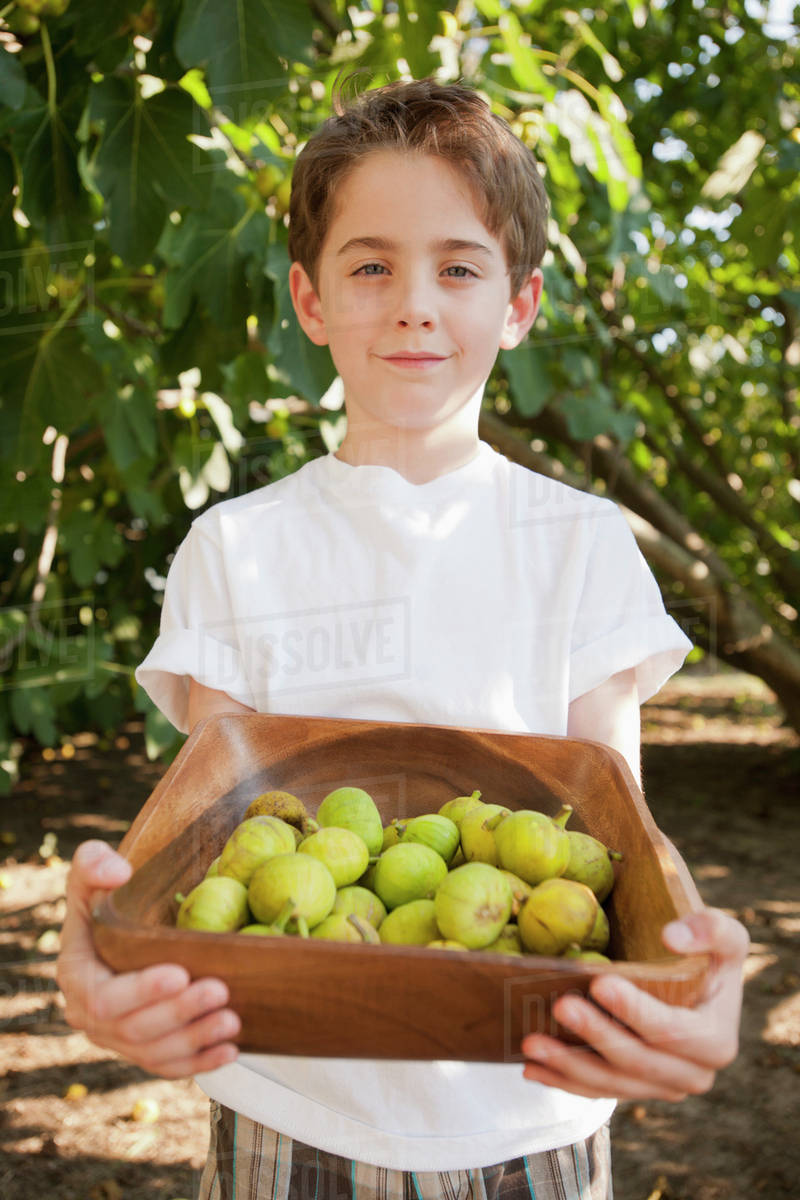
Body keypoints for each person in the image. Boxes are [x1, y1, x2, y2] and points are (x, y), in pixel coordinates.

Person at [57, 78, 749, 1199]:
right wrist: (112, 946)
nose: (414, 304)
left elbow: (616, 818)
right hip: (289, 1098)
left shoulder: (579, 546)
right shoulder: (237, 550)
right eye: (369, 265)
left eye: (459, 267)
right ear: (309, 298)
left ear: (518, 305)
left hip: (531, 1097)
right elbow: (221, 826)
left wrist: (683, 961)